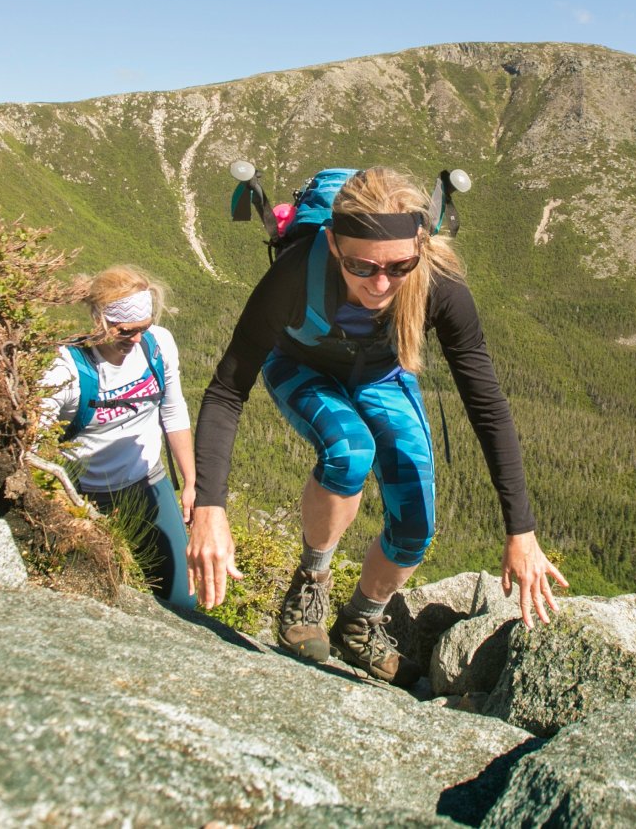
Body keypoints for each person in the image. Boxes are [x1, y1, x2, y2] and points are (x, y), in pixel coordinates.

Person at [188, 166, 568, 686]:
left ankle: (360, 623)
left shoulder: (440, 284)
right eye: (360, 266)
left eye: (400, 266)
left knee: (415, 525)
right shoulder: (298, 272)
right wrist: (210, 508)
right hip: (300, 365)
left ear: (421, 247)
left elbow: (486, 403)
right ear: (332, 244)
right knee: (349, 451)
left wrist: (521, 531)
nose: (381, 283)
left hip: (383, 374)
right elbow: (228, 389)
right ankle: (311, 583)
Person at [40, 266, 197, 609]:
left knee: (182, 601)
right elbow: (33, 440)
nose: (136, 339)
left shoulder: (158, 346)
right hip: (83, 496)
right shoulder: (66, 370)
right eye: (125, 331)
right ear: (100, 319)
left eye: (143, 328)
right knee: (88, 597)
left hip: (148, 482)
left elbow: (173, 411)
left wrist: (191, 481)